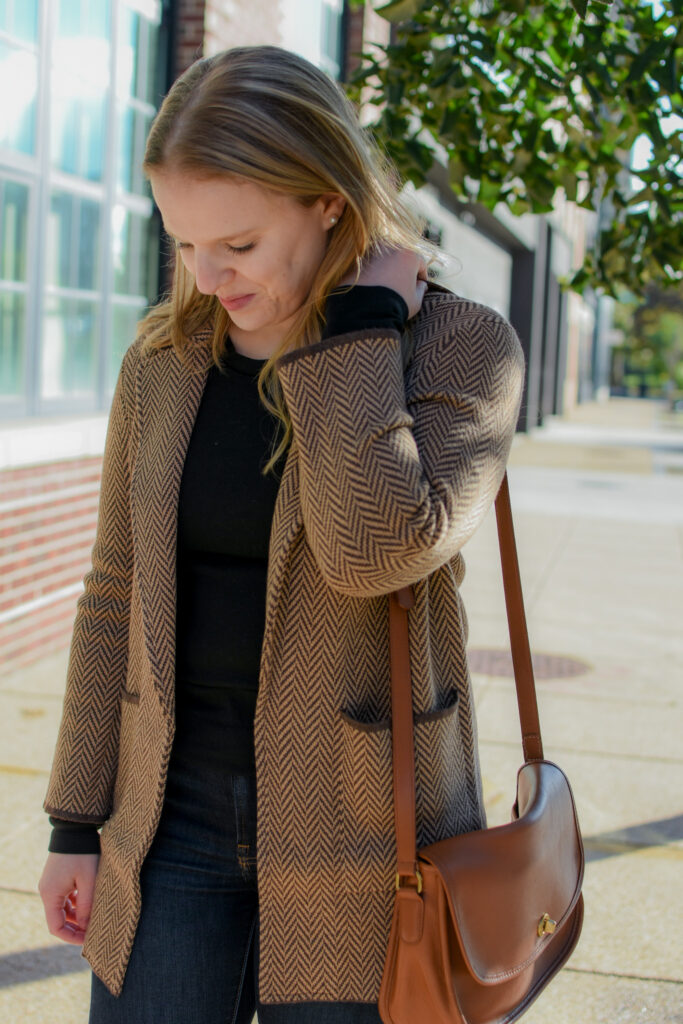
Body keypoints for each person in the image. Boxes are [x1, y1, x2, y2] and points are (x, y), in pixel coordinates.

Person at [38, 45, 524, 1024]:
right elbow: (114, 588)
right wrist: (74, 820)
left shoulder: (460, 348)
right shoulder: (163, 362)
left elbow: (373, 548)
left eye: (240, 245)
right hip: (168, 824)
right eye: (182, 243)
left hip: (370, 836)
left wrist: (357, 328)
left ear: (327, 201)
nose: (207, 276)